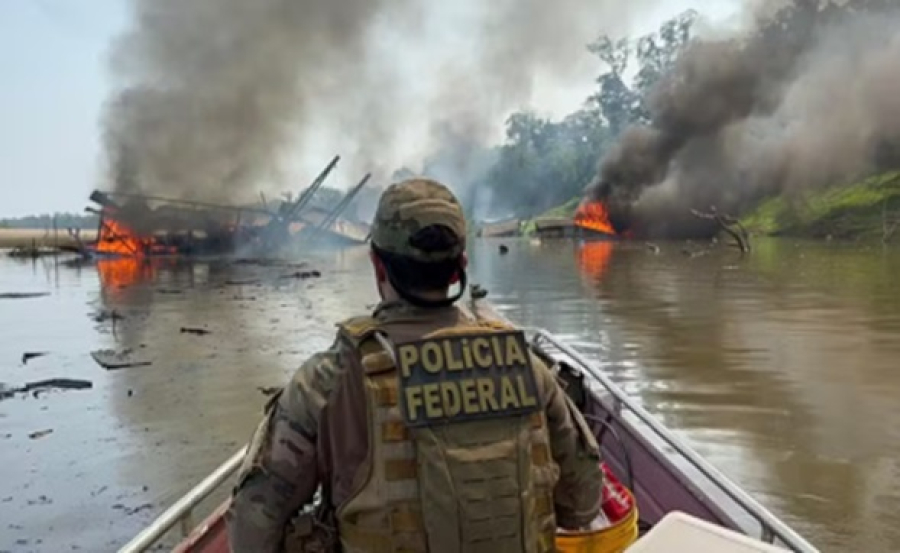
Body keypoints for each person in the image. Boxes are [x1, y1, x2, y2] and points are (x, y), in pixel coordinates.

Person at [226, 178, 605, 552]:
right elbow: (584, 503)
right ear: (460, 268)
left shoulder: (329, 380)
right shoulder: (524, 366)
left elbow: (252, 531)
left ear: (378, 266)